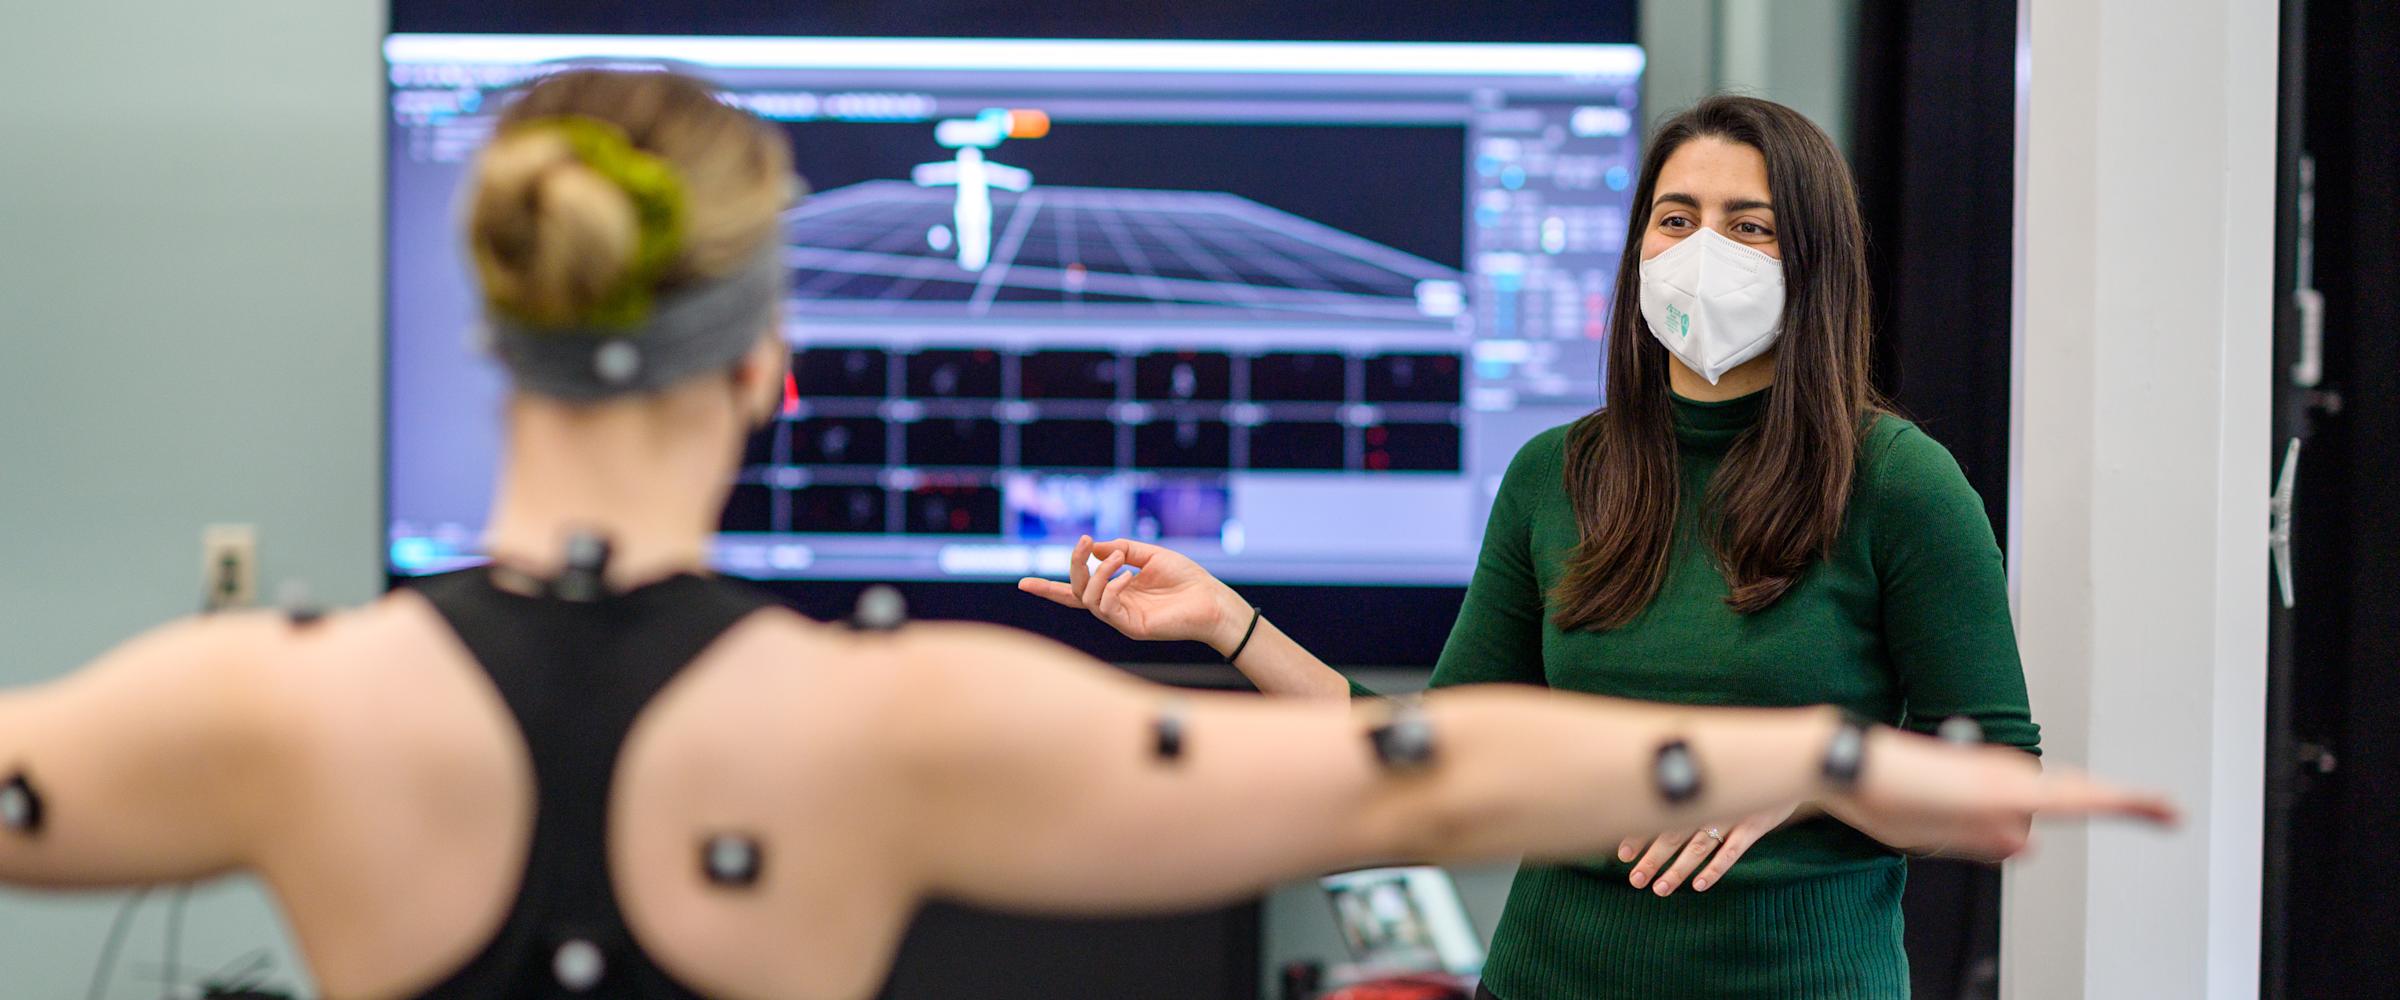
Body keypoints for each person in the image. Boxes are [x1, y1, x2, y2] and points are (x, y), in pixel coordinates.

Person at [0, 73, 2170, 1000]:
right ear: (776, 367)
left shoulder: (259, 706)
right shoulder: (892, 720)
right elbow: (1431, 760)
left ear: (494, 338)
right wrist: (1838, 755)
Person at [1025, 95, 2049, 999]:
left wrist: (1819, 772)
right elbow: (1428, 753)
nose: (1704, 252)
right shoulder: (1557, 474)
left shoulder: (1900, 483)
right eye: (1676, 219)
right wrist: (1227, 622)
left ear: (1816, 260)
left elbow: (2002, 794)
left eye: (1751, 228)